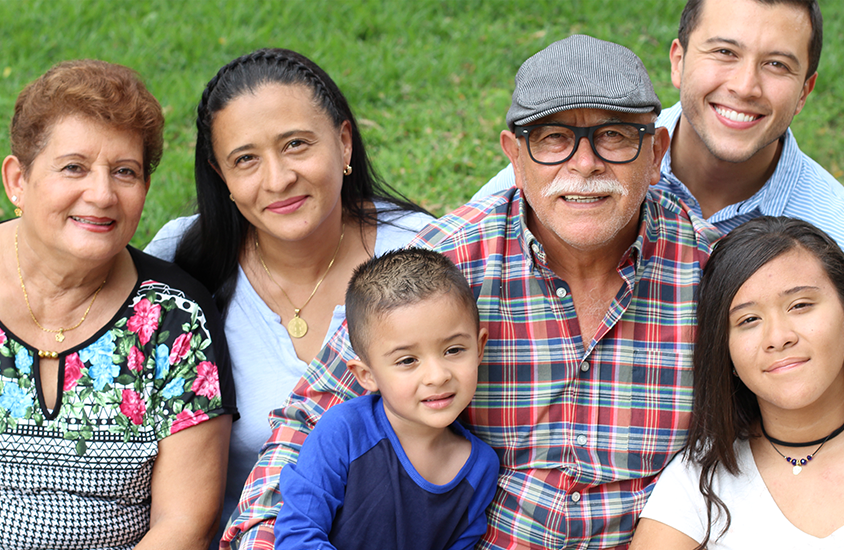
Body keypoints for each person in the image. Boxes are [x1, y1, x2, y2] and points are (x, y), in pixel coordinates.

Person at [224, 35, 720, 550]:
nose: (585, 164)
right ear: (514, 154)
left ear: (657, 151)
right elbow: (307, 423)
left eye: (615, 136)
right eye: (552, 138)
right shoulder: (448, 262)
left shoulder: (714, 277)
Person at [144, 48, 433, 546]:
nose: (277, 179)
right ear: (221, 176)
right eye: (246, 159)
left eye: (296, 144)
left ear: (344, 144)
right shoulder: (180, 260)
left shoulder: (420, 252)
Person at [0, 59, 235, 549]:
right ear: (17, 180)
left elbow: (185, 524)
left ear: (145, 189)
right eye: (74, 167)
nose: (102, 194)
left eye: (124, 172)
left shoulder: (176, 320)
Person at [475, 0, 844, 289]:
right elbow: (460, 247)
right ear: (678, 61)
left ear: (805, 91)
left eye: (777, 65)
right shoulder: (582, 155)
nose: (745, 86)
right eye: (724, 52)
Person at [630, 216, 844, 549]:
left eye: (800, 305)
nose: (778, 337)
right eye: (748, 319)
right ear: (725, 350)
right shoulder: (700, 480)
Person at [274, 248, 499, 550]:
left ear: (480, 347)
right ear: (367, 375)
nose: (437, 375)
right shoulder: (344, 432)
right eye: (407, 360)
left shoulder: (480, 468)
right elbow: (297, 534)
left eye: (454, 350)